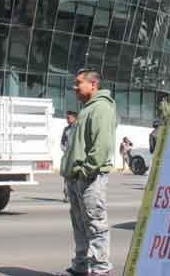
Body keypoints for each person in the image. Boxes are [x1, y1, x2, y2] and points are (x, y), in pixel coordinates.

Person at [60, 69, 117, 276]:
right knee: (80, 225)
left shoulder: (101, 107)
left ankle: (100, 268)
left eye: (79, 83)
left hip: (89, 178)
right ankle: (82, 265)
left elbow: (100, 147)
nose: (75, 87)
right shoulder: (87, 108)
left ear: (93, 84)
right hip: (77, 178)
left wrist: (85, 171)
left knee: (94, 224)